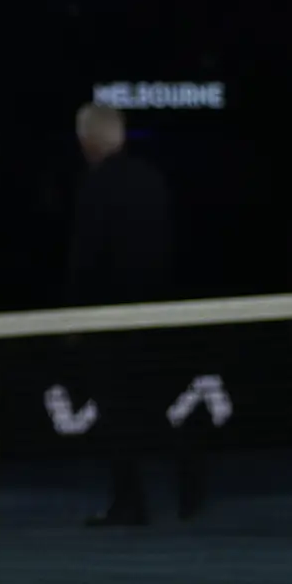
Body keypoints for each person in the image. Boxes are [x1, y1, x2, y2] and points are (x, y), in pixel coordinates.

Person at [63, 102, 176, 525]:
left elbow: (86, 258)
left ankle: (131, 502)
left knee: (119, 414)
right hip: (155, 316)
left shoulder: (97, 186)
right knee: (152, 406)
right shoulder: (152, 178)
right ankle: (186, 489)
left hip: (110, 324)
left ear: (89, 139)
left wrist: (75, 320)